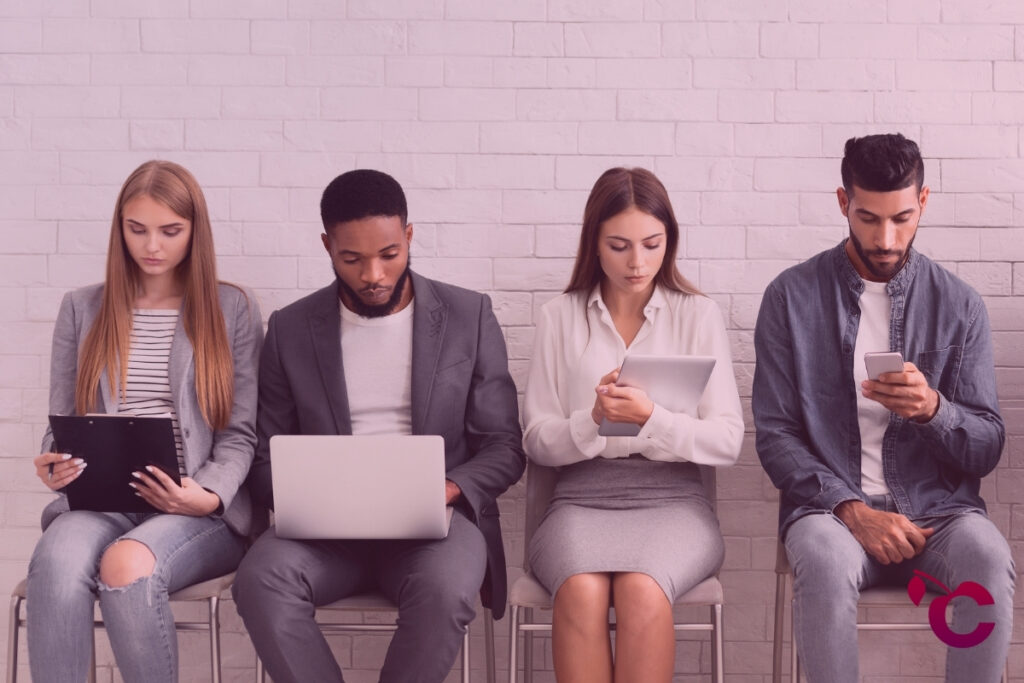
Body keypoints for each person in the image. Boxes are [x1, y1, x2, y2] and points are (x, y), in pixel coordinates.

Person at [231, 169, 525, 683]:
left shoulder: (467, 315)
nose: (374, 274)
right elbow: (261, 456)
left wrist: (449, 489)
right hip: (325, 536)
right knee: (260, 580)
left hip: (433, 529)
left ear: (408, 236)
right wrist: (308, 495)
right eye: (352, 258)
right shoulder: (291, 328)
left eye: (389, 254)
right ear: (327, 246)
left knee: (445, 589)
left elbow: (503, 446)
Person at [753, 133, 1014, 683]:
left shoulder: (959, 304)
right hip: (832, 513)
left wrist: (934, 410)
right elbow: (776, 436)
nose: (886, 238)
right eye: (869, 218)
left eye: (901, 217)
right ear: (843, 202)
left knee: (988, 564)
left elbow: (987, 445)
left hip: (938, 513)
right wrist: (853, 511)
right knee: (824, 562)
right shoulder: (790, 297)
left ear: (923, 202)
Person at [26, 160, 263, 683]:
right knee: (56, 562)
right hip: (103, 500)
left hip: (194, 509)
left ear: (194, 231)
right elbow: (61, 420)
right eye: (137, 229)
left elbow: (241, 434)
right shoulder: (81, 308)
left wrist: (207, 496)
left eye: (170, 231)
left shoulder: (233, 308)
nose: (151, 245)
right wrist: (54, 463)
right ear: (120, 229)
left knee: (126, 566)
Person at [522, 167, 744, 683]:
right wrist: (593, 421)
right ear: (594, 244)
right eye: (619, 245)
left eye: (652, 244)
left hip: (675, 503)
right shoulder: (560, 316)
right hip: (579, 499)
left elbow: (727, 441)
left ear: (671, 241)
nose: (638, 262)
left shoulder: (698, 315)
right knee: (580, 588)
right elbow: (536, 440)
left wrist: (653, 419)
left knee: (644, 587)